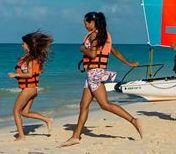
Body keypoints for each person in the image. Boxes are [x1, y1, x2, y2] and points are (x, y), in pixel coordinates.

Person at [61, 12, 143, 147]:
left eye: (86, 23)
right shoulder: (103, 35)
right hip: (94, 73)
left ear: (92, 22)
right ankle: (76, 136)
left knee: (105, 105)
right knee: (83, 105)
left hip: (94, 74)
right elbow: (114, 51)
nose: (85, 26)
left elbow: (93, 54)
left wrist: (82, 49)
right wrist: (129, 63)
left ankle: (134, 121)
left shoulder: (94, 35)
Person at [7, 31, 54, 141]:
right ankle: (47, 120)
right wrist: (19, 76)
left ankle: (21, 136)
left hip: (28, 89)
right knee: (25, 112)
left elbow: (30, 74)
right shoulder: (33, 58)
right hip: (33, 89)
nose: (22, 45)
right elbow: (38, 72)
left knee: (16, 111)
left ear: (28, 45)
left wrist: (16, 74)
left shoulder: (31, 58)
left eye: (23, 43)